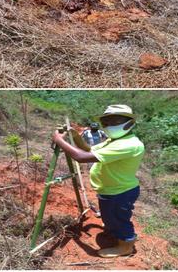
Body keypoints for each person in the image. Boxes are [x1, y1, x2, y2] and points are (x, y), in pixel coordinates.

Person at [52, 104, 145, 258]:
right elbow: (89, 149)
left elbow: (81, 157)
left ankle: (126, 246)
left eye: (116, 120)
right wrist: (75, 136)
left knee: (119, 219)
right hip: (110, 189)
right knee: (110, 216)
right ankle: (113, 230)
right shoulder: (113, 141)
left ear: (130, 122)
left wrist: (59, 140)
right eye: (107, 121)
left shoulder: (129, 144)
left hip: (120, 192)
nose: (110, 125)